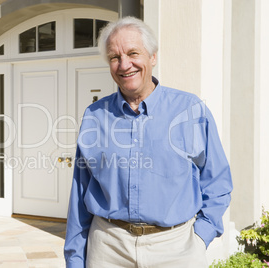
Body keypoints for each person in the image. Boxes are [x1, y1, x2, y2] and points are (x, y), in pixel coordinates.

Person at [64, 16, 233, 268]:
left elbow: (217, 181)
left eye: (133, 53)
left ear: (153, 57)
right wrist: (75, 258)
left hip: (176, 249)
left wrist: (201, 236)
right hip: (108, 248)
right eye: (114, 57)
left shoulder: (190, 110)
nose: (124, 64)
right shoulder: (94, 116)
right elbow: (80, 192)